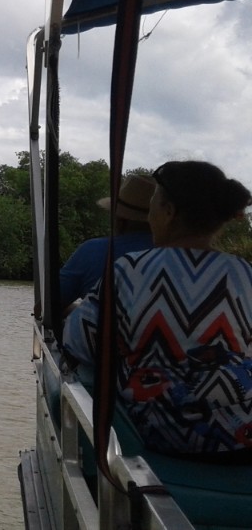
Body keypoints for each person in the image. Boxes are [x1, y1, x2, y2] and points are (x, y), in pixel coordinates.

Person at [63, 161, 252, 458]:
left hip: (160, 433)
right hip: (241, 437)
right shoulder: (245, 273)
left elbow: (79, 343)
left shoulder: (129, 270)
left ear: (169, 212)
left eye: (152, 206)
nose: (149, 217)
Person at [59, 173, 155, 314]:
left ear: (119, 219)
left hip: (104, 335)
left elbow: (46, 307)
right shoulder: (177, 253)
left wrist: (85, 313)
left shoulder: (92, 250)